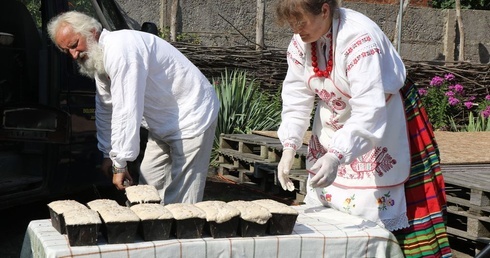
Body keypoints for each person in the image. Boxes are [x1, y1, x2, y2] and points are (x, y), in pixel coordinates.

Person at [275, 1, 451, 257]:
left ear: (324, 10)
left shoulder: (359, 38)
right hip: (335, 119)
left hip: (382, 119)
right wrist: (289, 145)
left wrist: (337, 154)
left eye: (301, 21)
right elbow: (296, 96)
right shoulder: (301, 43)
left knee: (382, 207)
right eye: (292, 23)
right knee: (329, 200)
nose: (296, 29)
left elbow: (369, 109)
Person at [47, 11, 219, 204]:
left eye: (74, 45)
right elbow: (105, 107)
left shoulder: (121, 50)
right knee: (148, 188)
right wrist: (108, 154)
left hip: (192, 115)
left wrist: (120, 164)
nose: (73, 55)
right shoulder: (102, 57)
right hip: (163, 121)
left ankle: (183, 231)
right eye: (66, 51)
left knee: (182, 197)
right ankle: (153, 228)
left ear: (92, 31)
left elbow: (127, 109)